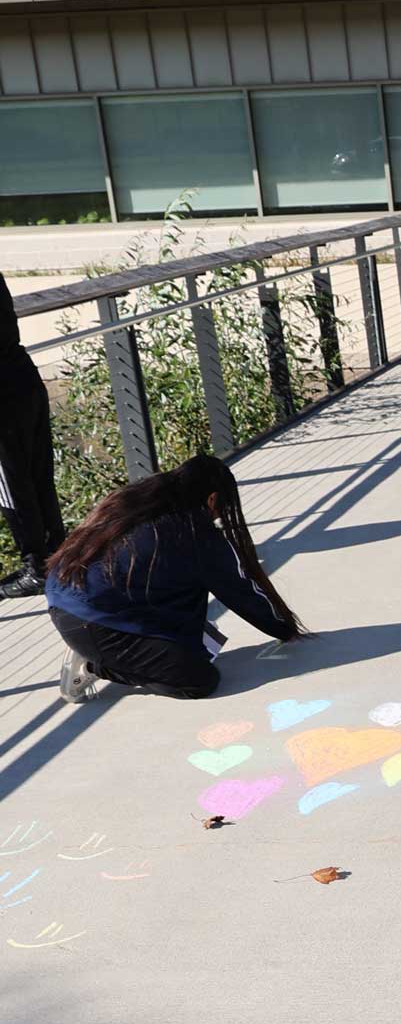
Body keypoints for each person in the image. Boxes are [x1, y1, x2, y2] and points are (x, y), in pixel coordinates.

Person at [46, 453, 303, 703]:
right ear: (212, 499)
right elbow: (240, 590)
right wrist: (283, 628)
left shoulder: (138, 501)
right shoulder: (194, 531)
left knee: (192, 620)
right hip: (94, 623)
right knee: (198, 679)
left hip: (65, 599)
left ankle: (103, 650)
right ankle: (94, 666)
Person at [0, 267, 67, 600]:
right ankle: (57, 553)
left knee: (13, 485)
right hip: (22, 374)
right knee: (38, 474)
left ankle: (36, 566)